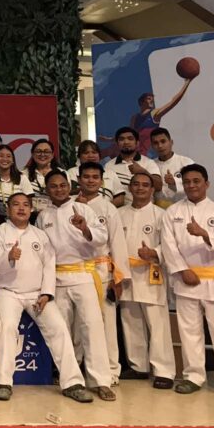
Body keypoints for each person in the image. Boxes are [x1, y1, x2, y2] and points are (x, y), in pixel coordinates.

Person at [0, 193, 93, 403]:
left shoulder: (40, 235)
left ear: (31, 209)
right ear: (7, 209)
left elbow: (49, 265)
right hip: (8, 292)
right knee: (7, 327)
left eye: (26, 205)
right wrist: (7, 257)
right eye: (16, 205)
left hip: (37, 294)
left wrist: (46, 293)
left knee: (59, 328)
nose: (21, 208)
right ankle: (4, 383)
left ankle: (72, 383)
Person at [159, 164, 214, 400]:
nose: (191, 186)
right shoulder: (172, 212)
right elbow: (168, 245)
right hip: (186, 279)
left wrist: (204, 234)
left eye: (196, 181)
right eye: (187, 182)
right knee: (189, 332)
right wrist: (182, 270)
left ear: (206, 183)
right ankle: (193, 376)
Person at [37, 171, 116, 401]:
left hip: (83, 273)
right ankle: (69, 376)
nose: (59, 189)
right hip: (58, 277)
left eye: (62, 185)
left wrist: (85, 228)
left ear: (69, 186)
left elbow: (102, 237)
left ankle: (101, 380)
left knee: (92, 327)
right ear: (47, 189)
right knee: (63, 330)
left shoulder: (84, 210)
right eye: (53, 186)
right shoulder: (43, 216)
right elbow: (44, 250)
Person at [74, 161, 131, 386]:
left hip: (102, 270)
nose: (90, 180)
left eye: (94, 177)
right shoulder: (71, 205)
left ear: (101, 181)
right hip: (77, 270)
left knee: (107, 324)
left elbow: (117, 242)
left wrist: (119, 277)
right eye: (86, 176)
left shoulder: (108, 208)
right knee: (78, 323)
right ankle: (77, 366)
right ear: (79, 179)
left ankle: (111, 370)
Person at [118, 172, 175, 389]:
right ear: (130, 188)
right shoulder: (119, 213)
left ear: (152, 190)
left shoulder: (162, 215)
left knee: (158, 323)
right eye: (136, 185)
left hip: (151, 271)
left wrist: (154, 252)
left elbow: (169, 244)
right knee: (130, 320)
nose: (140, 188)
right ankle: (138, 365)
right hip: (126, 274)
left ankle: (164, 370)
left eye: (145, 185)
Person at [108, 127, 162, 201]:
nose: (126, 142)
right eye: (122, 139)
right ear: (117, 143)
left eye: (130, 139)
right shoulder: (109, 165)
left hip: (145, 209)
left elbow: (159, 187)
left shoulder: (149, 163)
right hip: (118, 209)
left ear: (137, 143)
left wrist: (143, 172)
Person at [66, 140, 126, 206]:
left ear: (99, 156)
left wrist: (105, 208)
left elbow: (120, 198)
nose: (91, 155)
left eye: (94, 152)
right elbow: (67, 194)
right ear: (79, 156)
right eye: (86, 153)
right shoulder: (72, 172)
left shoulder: (110, 173)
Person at [0, 143, 32, 218]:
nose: (5, 159)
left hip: (20, 217)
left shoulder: (22, 177)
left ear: (13, 160)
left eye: (8, 156)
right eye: (1, 156)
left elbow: (29, 201)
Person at [150, 127, 193, 207]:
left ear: (171, 142)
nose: (160, 146)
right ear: (152, 146)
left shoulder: (186, 162)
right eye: (156, 143)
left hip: (183, 208)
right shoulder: (150, 165)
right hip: (158, 210)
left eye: (163, 141)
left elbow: (195, 187)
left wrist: (175, 182)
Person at [24, 138, 59, 215]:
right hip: (31, 215)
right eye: (38, 151)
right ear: (32, 154)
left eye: (46, 152)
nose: (42, 154)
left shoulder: (61, 173)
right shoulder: (23, 174)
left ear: (52, 155)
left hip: (55, 214)